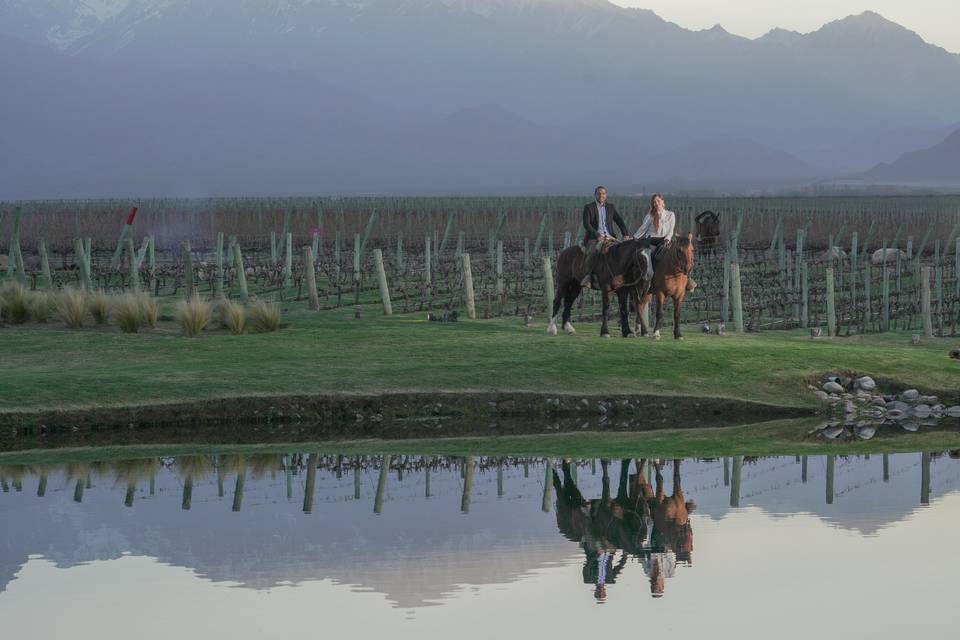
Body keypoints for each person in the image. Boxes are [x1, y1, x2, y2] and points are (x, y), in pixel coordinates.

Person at [635, 194, 696, 291]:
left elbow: (671, 230)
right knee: (648, 259)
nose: (656, 203)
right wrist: (634, 238)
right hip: (651, 240)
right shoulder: (650, 215)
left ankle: (688, 279)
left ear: (663, 202)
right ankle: (649, 281)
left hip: (665, 240)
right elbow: (642, 229)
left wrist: (667, 239)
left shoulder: (670, 215)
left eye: (658, 201)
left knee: (681, 255)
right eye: (654, 202)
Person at [580, 186, 629, 289]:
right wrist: (597, 234)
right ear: (595, 195)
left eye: (603, 193)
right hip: (594, 238)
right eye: (599, 193)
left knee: (623, 252)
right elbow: (586, 224)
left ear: (606, 195)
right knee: (593, 252)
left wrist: (625, 234)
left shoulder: (611, 207)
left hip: (610, 237)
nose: (601, 195)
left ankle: (621, 276)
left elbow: (619, 221)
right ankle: (588, 276)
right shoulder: (589, 207)